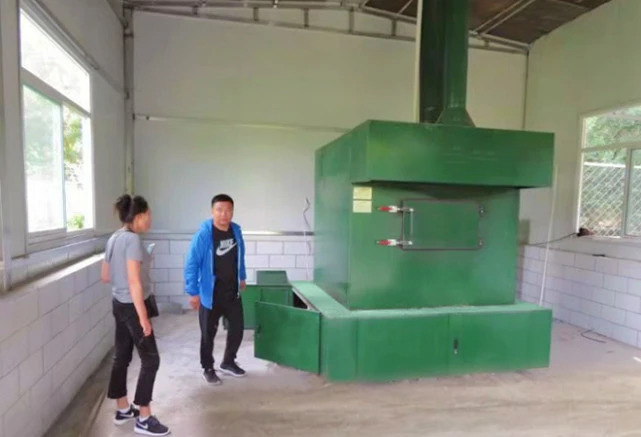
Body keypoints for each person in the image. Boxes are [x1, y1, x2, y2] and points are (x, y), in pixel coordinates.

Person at [101, 194, 170, 436]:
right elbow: (133, 281)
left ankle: (122, 409)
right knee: (151, 360)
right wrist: (142, 317)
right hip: (132, 306)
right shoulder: (132, 240)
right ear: (138, 216)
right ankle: (144, 418)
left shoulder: (114, 238)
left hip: (118, 303)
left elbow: (105, 276)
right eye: (148, 214)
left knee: (121, 356)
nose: (150, 219)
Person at [184, 194, 247, 385]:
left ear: (232, 212)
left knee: (237, 329)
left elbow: (240, 256)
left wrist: (242, 277)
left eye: (228, 210)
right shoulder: (204, 235)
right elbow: (192, 264)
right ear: (212, 211)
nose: (224, 214)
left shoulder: (236, 231)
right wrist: (192, 291)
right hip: (210, 294)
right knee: (208, 334)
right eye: (219, 210)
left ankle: (228, 362)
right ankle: (208, 368)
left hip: (232, 292)